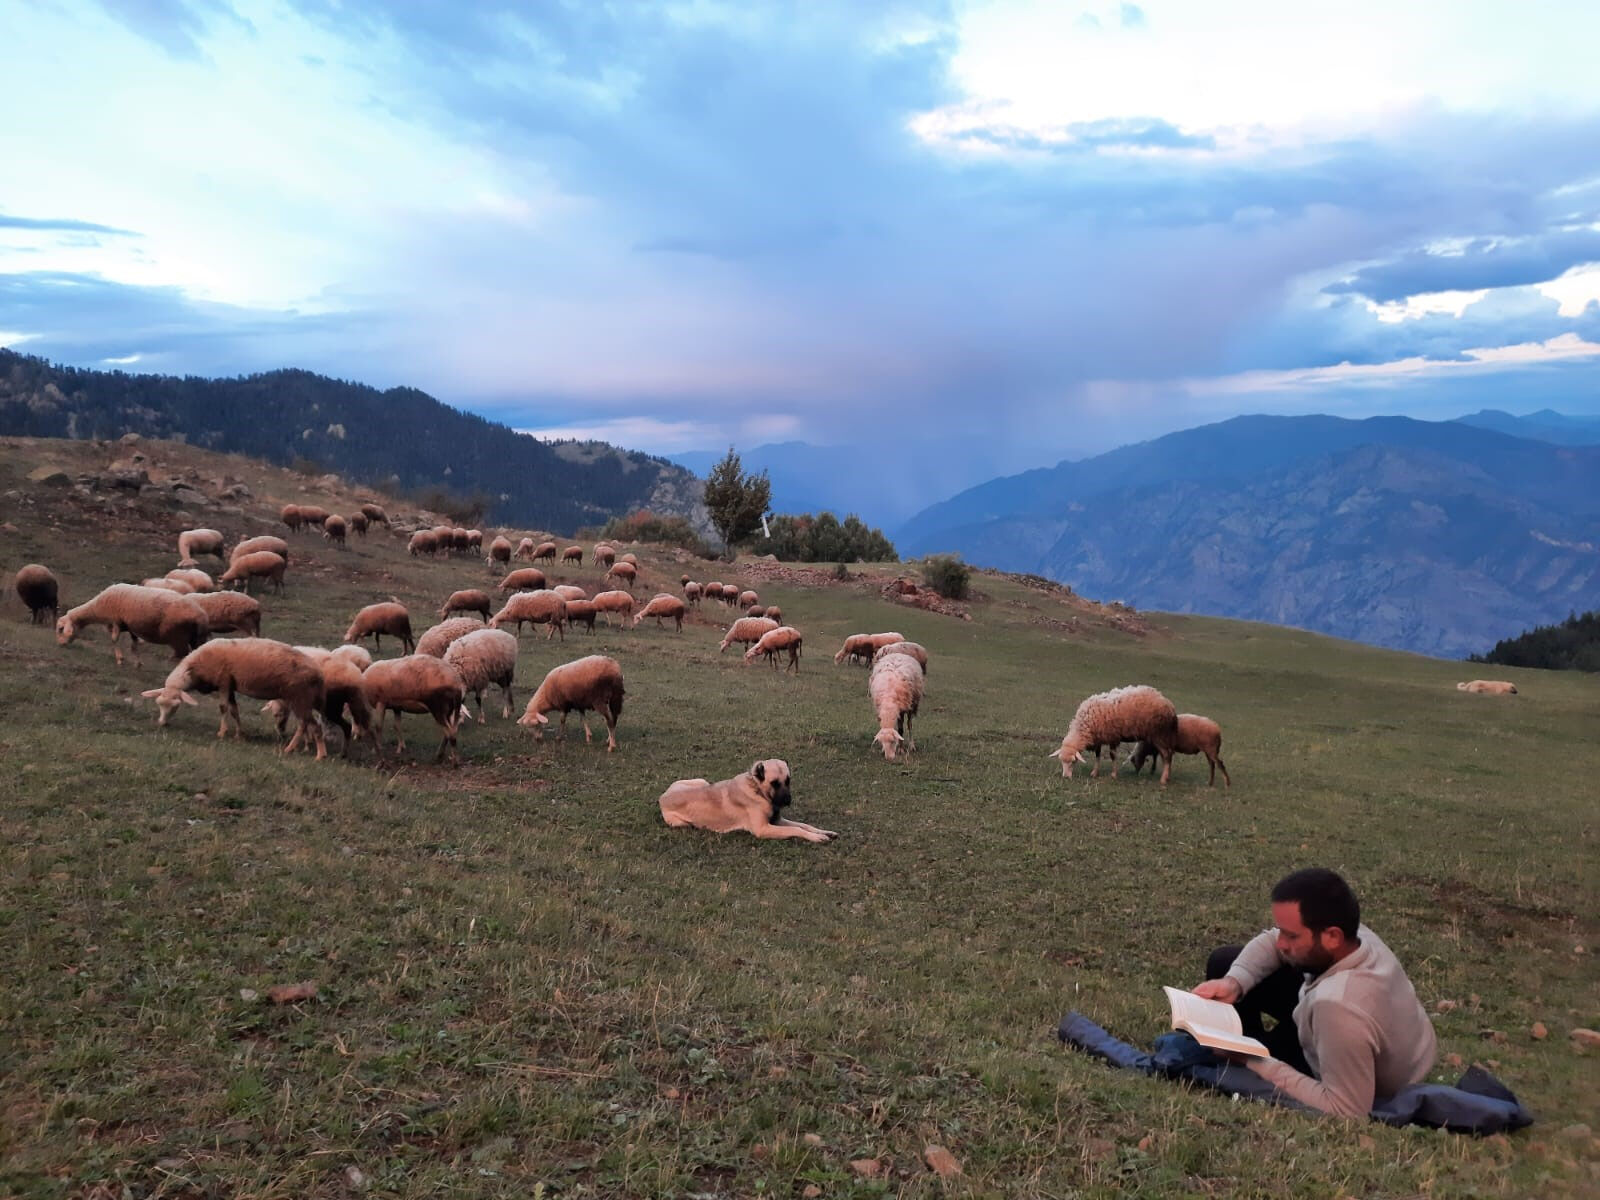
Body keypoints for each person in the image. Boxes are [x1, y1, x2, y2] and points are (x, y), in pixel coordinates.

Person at [1193, 867, 1437, 1117]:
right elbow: (1271, 943)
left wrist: (1252, 1060)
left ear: (1332, 936)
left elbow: (1348, 1109)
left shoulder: (1339, 1008)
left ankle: (1240, 1056)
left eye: (1291, 936)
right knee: (1225, 963)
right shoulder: (1354, 935)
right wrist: (1234, 983)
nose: (1280, 943)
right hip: (1390, 1044)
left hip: (1370, 1078)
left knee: (1244, 1059)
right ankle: (1242, 1046)